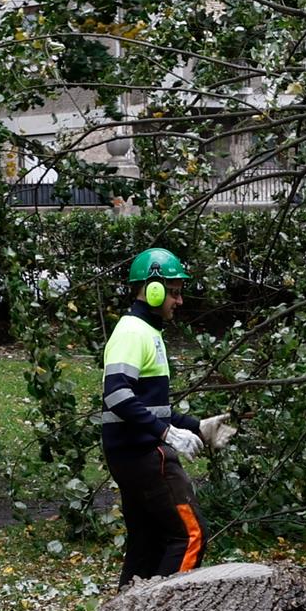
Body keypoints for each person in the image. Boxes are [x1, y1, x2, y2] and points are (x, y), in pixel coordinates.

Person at [100, 246, 233, 581]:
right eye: (174, 292)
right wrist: (168, 435)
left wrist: (198, 427)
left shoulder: (147, 332)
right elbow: (117, 394)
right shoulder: (132, 332)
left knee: (149, 542)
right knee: (191, 536)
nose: (180, 300)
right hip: (144, 454)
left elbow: (150, 407)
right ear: (153, 288)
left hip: (133, 453)